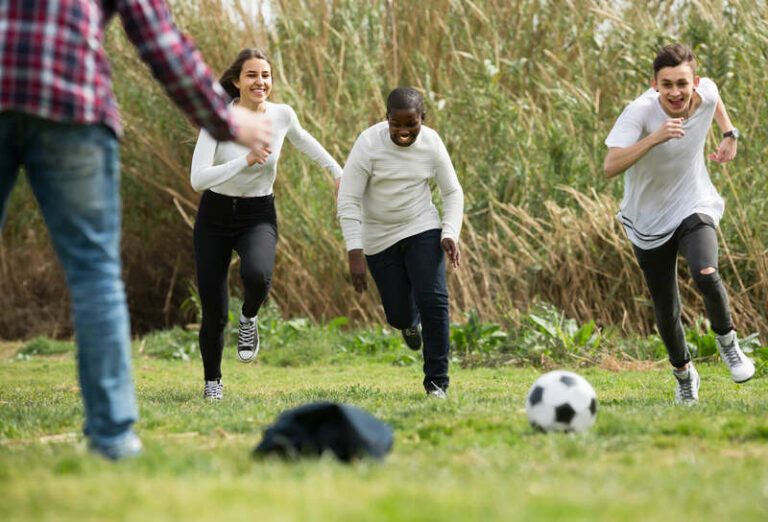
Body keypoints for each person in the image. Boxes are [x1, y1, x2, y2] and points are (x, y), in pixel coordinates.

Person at [0, 0, 272, 459]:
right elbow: (158, 39)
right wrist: (226, 121)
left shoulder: (282, 115)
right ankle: (111, 438)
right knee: (94, 276)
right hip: (72, 103)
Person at [603, 43, 754, 404]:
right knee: (666, 307)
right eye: (667, 84)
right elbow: (610, 166)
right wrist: (655, 137)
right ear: (654, 84)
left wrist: (729, 133)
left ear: (694, 81)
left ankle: (729, 345)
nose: (675, 92)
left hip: (693, 202)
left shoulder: (707, 90)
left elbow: (716, 100)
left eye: (682, 84)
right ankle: (684, 374)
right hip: (647, 219)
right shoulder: (638, 113)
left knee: (706, 272)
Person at [190, 48, 343, 400]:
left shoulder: (281, 115)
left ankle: (249, 319)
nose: (261, 82)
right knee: (214, 311)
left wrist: (337, 171)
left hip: (257, 214)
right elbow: (198, 179)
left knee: (258, 275)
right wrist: (244, 161)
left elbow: (304, 140)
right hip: (214, 217)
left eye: (266, 75)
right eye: (252, 75)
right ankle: (212, 382)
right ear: (236, 82)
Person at [337, 87, 464, 399]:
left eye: (412, 124)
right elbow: (348, 198)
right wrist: (355, 250)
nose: (404, 132)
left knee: (434, 302)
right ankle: (409, 323)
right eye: (397, 124)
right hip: (378, 236)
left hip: (421, 226)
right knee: (398, 315)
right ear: (387, 119)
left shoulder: (432, 143)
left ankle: (437, 383)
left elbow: (452, 192)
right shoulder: (369, 144)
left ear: (423, 119)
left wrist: (449, 232)